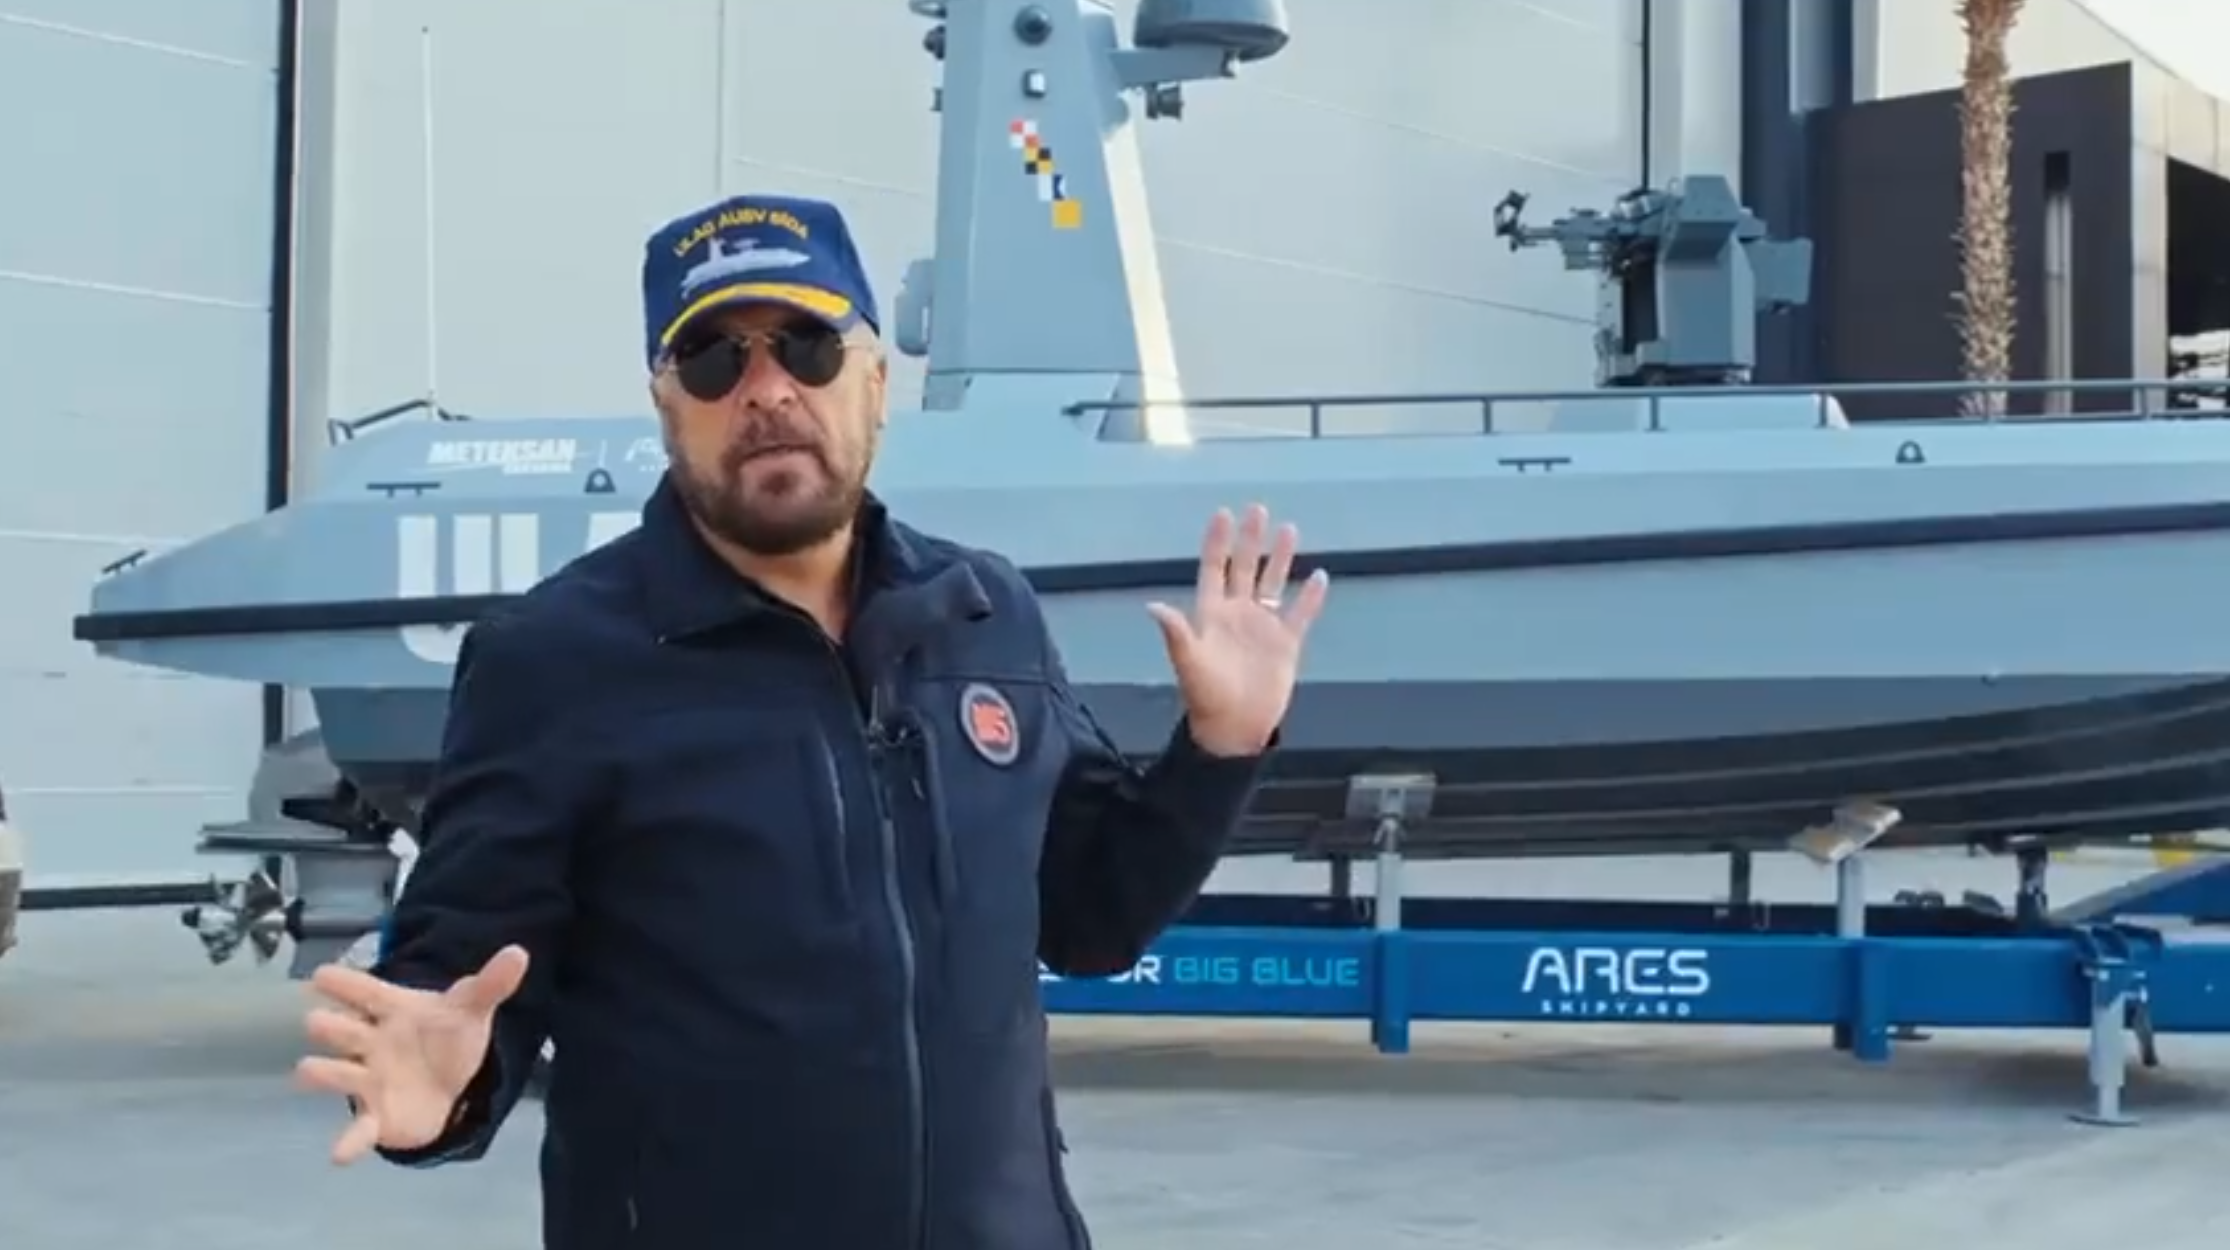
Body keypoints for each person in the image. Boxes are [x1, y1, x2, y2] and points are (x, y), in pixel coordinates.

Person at [294, 191, 1331, 1250]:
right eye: (714, 360)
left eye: (808, 346)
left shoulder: (984, 614)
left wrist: (1221, 749)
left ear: (875, 382)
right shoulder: (553, 661)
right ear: (666, 404)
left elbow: (1092, 920)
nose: (767, 389)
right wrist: (447, 1092)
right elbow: (463, 980)